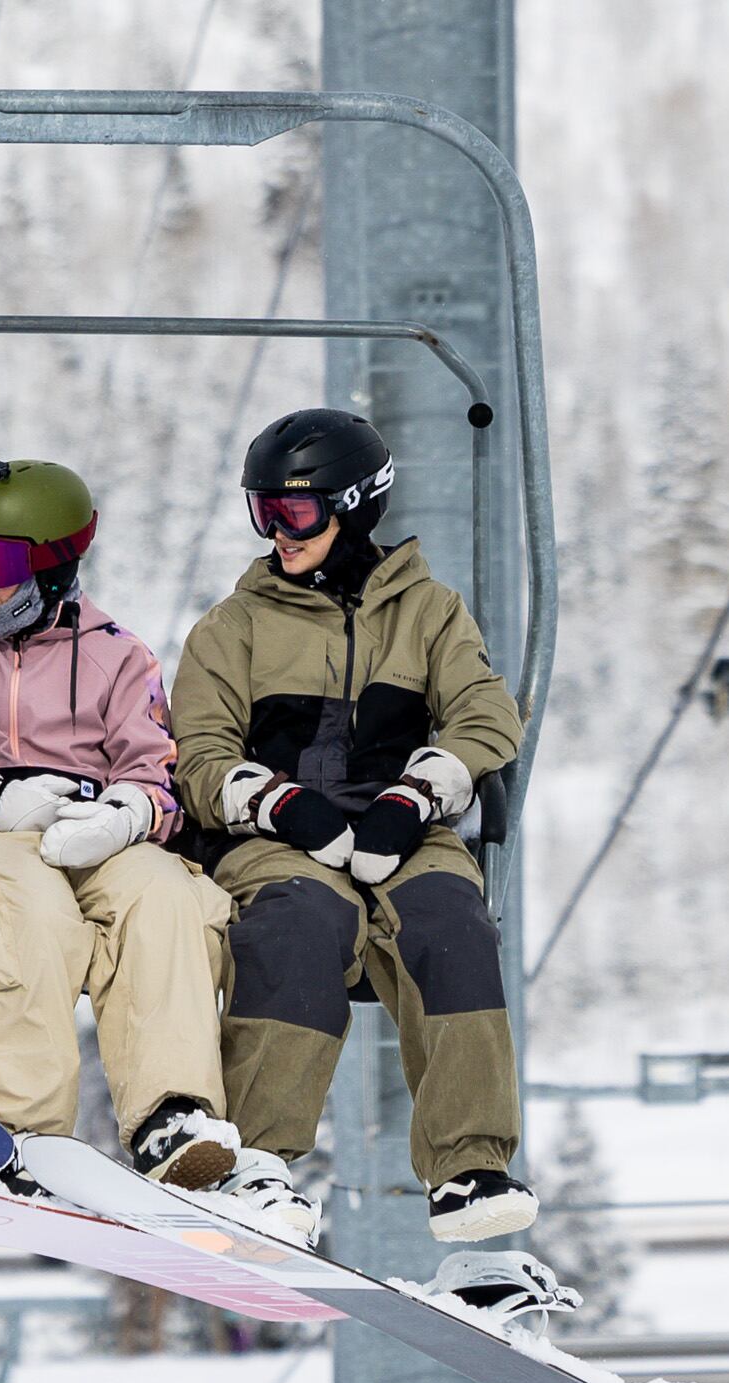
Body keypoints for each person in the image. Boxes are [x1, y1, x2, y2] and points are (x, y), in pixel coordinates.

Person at [172, 409, 534, 1245]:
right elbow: (198, 758)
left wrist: (421, 793)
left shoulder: (428, 614)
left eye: (292, 514)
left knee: (450, 921)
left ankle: (468, 1166)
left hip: (399, 825)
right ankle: (258, 1161)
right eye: (261, 513)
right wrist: (276, 801)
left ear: (357, 504)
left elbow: (485, 713)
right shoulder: (234, 628)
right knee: (305, 919)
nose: (276, 533)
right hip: (273, 839)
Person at [0, 459, 240, 1195]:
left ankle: (170, 1113)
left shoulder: (118, 659)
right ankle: (13, 1122)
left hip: (90, 842)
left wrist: (126, 814)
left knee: (161, 891)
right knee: (25, 900)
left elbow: (158, 775)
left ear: (54, 565)